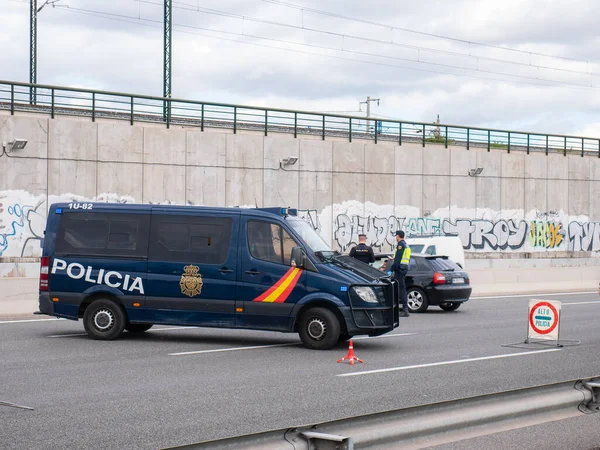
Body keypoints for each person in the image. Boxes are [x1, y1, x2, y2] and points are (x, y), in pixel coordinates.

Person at [391, 230, 411, 317]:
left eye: (396, 236)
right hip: (404, 268)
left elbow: (398, 260)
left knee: (400, 289)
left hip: (399, 270)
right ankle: (403, 309)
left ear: (398, 236)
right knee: (401, 288)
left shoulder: (400, 245)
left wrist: (391, 269)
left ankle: (404, 309)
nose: (396, 237)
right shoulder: (406, 244)